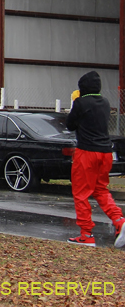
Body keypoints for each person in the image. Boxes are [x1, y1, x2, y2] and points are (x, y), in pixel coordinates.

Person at [65, 71, 125, 248]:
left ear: (82, 88)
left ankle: (86, 235)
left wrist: (74, 104)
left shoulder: (80, 103)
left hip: (87, 152)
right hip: (105, 152)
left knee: (81, 193)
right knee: (100, 189)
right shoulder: (105, 102)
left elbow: (70, 125)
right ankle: (120, 221)